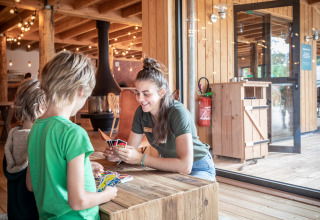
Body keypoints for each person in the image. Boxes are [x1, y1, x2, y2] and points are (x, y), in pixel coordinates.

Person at [26, 51, 117, 219]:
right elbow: (78, 202)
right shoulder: (74, 133)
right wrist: (108, 194)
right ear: (81, 91)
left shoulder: (35, 129)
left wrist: (83, 168)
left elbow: (31, 184)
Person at [104, 58, 216, 181]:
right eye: (137, 93)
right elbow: (131, 149)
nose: (140, 99)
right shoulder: (141, 113)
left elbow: (185, 166)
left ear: (162, 93)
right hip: (170, 167)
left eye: (146, 94)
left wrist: (141, 159)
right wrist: (119, 156)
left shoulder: (177, 112)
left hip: (198, 167)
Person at [3, 78, 46, 220]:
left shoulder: (13, 135)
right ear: (41, 106)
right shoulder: (39, 139)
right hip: (34, 215)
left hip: (15, 214)